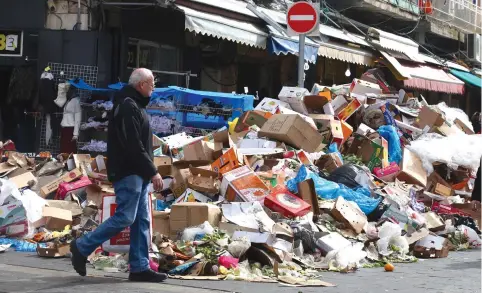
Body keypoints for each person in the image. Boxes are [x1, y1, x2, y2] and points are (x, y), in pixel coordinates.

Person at [70, 68, 166, 282]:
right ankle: (82, 246)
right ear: (141, 85)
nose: (154, 88)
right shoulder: (127, 106)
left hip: (137, 172)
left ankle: (139, 267)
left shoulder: (134, 105)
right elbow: (133, 144)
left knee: (141, 220)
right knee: (126, 216)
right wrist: (153, 171)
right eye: (152, 84)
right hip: (129, 171)